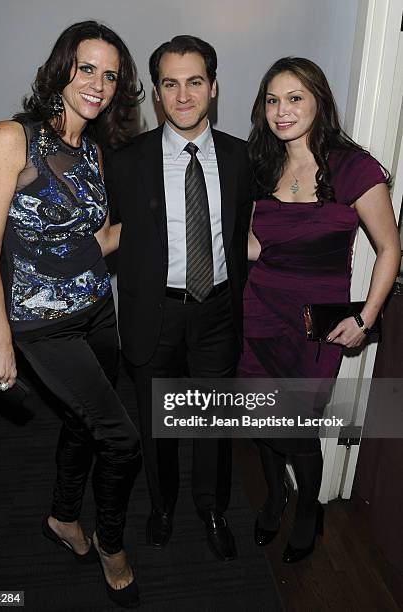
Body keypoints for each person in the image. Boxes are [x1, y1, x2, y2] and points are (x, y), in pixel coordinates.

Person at [0, 21, 143, 608]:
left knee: (82, 421)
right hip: (41, 324)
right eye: (87, 67)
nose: (98, 83)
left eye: (110, 74)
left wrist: (157, 219)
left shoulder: (94, 148)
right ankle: (111, 544)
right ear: (61, 66)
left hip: (97, 308)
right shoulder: (12, 138)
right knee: (122, 439)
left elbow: (90, 241)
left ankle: (63, 517)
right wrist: (0, 342)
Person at [240, 57, 401, 563]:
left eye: (294, 98)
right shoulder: (260, 163)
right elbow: (253, 245)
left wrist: (366, 318)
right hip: (259, 310)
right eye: (272, 99)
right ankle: (275, 498)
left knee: (298, 427)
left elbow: (390, 249)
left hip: (317, 323)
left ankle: (308, 510)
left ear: (319, 102)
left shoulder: (353, 166)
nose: (281, 110)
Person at [106, 35, 252, 562]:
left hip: (216, 310)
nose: (183, 95)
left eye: (195, 82)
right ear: (157, 94)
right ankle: (162, 505)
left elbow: (247, 235)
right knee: (157, 422)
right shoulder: (126, 161)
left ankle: (212, 508)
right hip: (155, 313)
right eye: (171, 83)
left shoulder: (241, 157)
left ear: (213, 88)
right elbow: (107, 236)